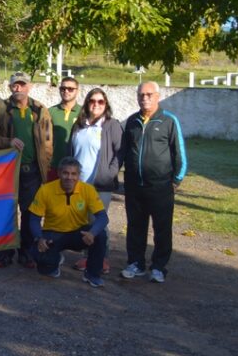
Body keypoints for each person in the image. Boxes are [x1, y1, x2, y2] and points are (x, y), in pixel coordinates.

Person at [120, 81, 187, 283]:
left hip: (161, 187)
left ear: (158, 96)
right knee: (135, 227)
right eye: (141, 94)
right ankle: (136, 263)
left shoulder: (169, 120)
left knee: (162, 229)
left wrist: (176, 179)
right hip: (134, 187)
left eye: (149, 94)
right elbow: (123, 152)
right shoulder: (131, 121)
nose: (145, 98)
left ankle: (158, 267)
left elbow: (179, 153)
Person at [0, 71, 53, 268]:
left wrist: (44, 166)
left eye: (22, 85)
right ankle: (5, 252)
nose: (18, 89)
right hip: (7, 171)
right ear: (10, 87)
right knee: (6, 211)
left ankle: (26, 252)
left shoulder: (40, 110)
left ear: (29, 86)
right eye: (15, 85)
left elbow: (48, 142)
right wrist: (8, 141)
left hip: (31, 170)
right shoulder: (0, 109)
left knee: (30, 212)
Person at [29, 157, 109, 288]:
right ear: (59, 173)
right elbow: (34, 219)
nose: (69, 177)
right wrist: (39, 237)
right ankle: (54, 260)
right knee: (43, 265)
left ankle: (92, 274)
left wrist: (92, 233)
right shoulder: (46, 190)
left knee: (100, 235)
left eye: (73, 174)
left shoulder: (88, 189)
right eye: (65, 173)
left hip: (79, 233)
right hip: (53, 234)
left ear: (78, 175)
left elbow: (102, 217)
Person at [71, 87, 123, 275]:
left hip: (100, 184)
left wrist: (109, 173)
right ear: (87, 103)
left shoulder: (112, 125)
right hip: (79, 183)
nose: (96, 104)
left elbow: (120, 152)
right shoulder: (79, 125)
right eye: (92, 101)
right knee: (83, 221)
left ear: (106, 104)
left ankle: (102, 259)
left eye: (101, 101)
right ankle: (88, 257)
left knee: (98, 221)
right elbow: (72, 152)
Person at [47, 76, 82, 182]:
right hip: (54, 166)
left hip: (77, 168)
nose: (66, 91)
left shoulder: (84, 112)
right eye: (63, 88)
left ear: (77, 91)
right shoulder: (50, 112)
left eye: (70, 89)